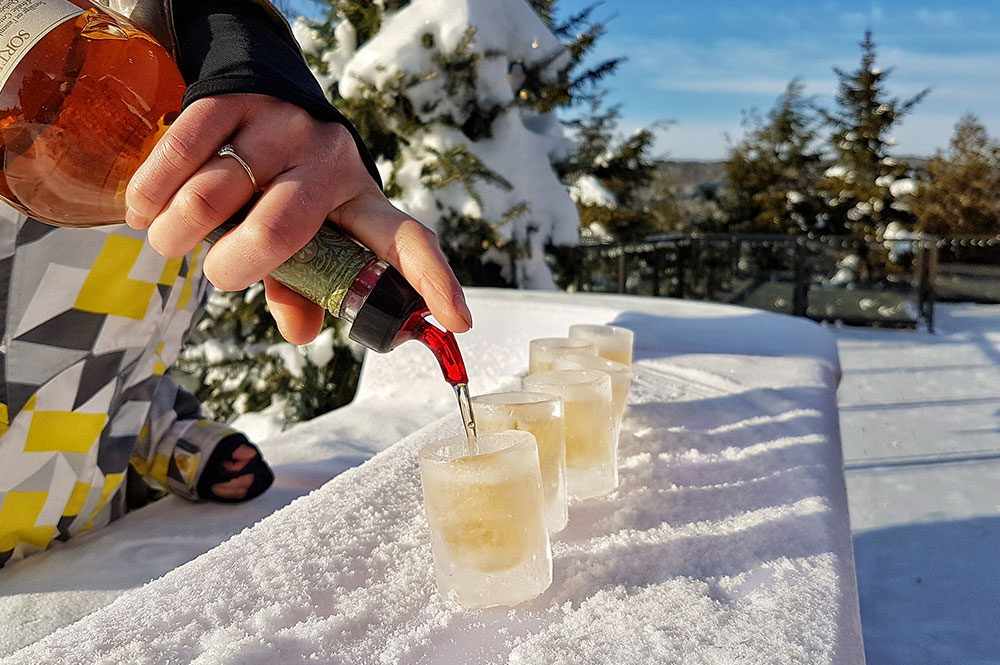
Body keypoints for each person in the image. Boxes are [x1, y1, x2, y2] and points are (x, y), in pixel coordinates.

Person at [0, 0, 472, 568]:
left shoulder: (168, 207)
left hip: (81, 557)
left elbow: (108, 384)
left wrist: (187, 446)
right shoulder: (33, 161)